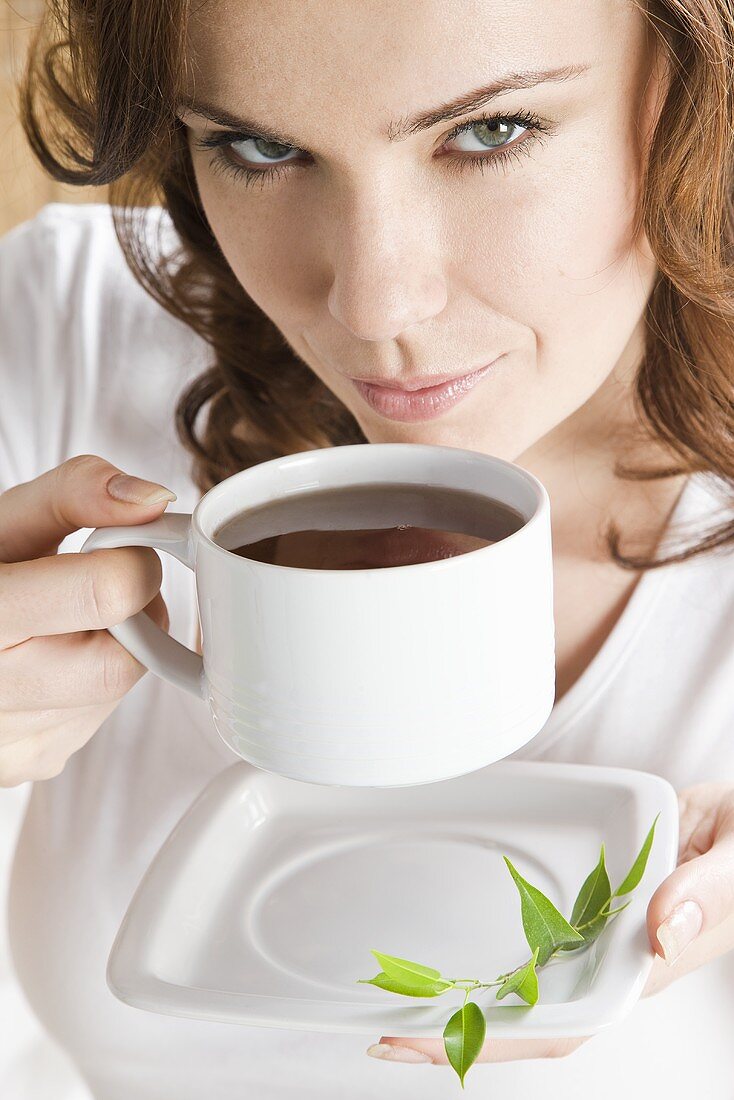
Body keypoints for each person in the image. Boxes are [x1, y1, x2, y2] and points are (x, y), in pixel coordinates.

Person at [1, 0, 733, 1096]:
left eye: (490, 132)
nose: (373, 300)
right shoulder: (65, 327)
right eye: (258, 147)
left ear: (693, 98)